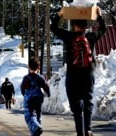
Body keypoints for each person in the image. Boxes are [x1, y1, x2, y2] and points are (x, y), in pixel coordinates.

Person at [50, 6, 106, 136]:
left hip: (73, 75)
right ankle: (88, 129)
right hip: (88, 74)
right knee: (88, 102)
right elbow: (103, 29)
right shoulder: (91, 37)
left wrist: (61, 14)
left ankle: (80, 133)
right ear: (86, 27)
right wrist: (99, 15)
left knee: (76, 106)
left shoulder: (69, 37)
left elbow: (53, 27)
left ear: (75, 26)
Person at [20, 59, 50, 136]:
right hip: (39, 98)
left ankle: (37, 128)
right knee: (38, 114)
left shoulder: (26, 78)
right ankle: (36, 130)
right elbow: (46, 86)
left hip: (30, 99)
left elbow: (22, 88)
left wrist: (25, 94)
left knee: (30, 116)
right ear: (38, 68)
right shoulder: (40, 77)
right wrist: (48, 94)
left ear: (29, 67)